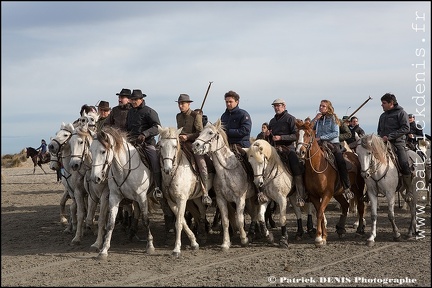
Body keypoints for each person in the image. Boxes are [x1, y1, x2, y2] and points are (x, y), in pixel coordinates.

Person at [220, 90, 267, 203]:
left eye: (230, 101)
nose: (228, 104)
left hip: (242, 144)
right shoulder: (224, 115)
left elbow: (245, 130)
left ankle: (259, 192)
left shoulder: (243, 114)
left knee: (252, 165)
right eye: (226, 102)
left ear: (237, 101)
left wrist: (228, 132)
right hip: (227, 146)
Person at [311, 99, 354, 201]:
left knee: (340, 161)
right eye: (320, 106)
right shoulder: (318, 119)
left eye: (323, 106)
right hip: (318, 145)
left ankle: (347, 187)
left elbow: (335, 133)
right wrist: (315, 119)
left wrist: (321, 138)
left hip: (332, 143)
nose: (321, 108)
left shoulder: (333, 118)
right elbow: (309, 127)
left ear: (328, 108)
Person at [267, 98, 306, 207]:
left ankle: (300, 194)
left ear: (284, 106)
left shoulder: (290, 119)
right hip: (274, 149)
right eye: (275, 106)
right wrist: (268, 135)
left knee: (296, 168)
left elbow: (295, 135)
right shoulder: (272, 121)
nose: (276, 108)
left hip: (288, 149)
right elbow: (271, 137)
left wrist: (281, 137)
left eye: (278, 105)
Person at [126, 89, 163, 199]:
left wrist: (144, 134)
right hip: (132, 143)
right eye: (132, 99)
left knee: (155, 162)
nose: (133, 102)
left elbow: (157, 127)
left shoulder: (149, 111)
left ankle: (158, 188)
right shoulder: (130, 112)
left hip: (147, 143)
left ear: (141, 99)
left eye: (136, 99)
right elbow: (128, 128)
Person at [176, 94, 212, 205]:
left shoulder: (195, 115)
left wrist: (187, 137)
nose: (181, 106)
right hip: (180, 144)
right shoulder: (178, 116)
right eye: (179, 104)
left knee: (202, 165)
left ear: (188, 104)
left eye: (183, 103)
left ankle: (205, 192)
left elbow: (200, 133)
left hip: (193, 144)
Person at [377, 93, 413, 202]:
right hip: (382, 143)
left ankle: (409, 189)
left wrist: (389, 137)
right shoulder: (382, 116)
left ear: (391, 103)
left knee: (403, 163)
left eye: (384, 103)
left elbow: (406, 128)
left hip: (398, 143)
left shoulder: (401, 113)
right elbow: (379, 130)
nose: (382, 105)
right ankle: (369, 191)